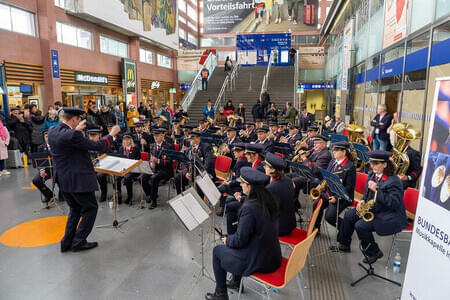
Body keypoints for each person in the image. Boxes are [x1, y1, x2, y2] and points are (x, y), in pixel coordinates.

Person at [48, 107, 120, 252]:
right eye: (78, 119)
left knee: (75, 209)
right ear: (74, 119)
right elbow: (96, 146)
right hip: (78, 180)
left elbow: (69, 140)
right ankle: (79, 241)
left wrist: (76, 130)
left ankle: (67, 242)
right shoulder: (73, 135)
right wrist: (111, 135)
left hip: (64, 180)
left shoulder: (53, 131)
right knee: (90, 208)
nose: (80, 121)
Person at [205, 167, 281, 300]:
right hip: (273, 256)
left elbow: (240, 241)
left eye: (243, 183)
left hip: (260, 261)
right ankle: (235, 281)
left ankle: (221, 294)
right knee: (231, 242)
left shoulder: (249, 209)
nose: (240, 185)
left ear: (250, 186)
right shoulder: (268, 200)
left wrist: (227, 240)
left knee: (217, 251)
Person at [335, 150, 407, 264]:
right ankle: (344, 244)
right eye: (372, 163)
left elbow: (394, 203)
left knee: (361, 226)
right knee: (349, 215)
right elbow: (367, 193)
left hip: (389, 214)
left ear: (385, 164)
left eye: (376, 163)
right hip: (375, 207)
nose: (372, 166)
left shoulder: (394, 181)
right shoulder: (373, 174)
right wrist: (363, 200)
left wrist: (377, 189)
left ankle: (374, 252)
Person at [312, 141, 356, 231]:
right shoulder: (333, 161)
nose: (334, 152)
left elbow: (349, 187)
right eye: (333, 150)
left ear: (344, 152)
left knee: (330, 217)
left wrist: (336, 197)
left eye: (336, 150)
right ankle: (315, 229)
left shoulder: (350, 167)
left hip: (342, 196)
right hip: (329, 193)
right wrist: (320, 185)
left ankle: (347, 229)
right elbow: (326, 176)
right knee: (316, 204)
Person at [264, 152, 296, 236]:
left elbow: (268, 211)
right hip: (290, 223)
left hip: (280, 228)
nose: (264, 167)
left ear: (272, 169)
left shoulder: (271, 188)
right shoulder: (288, 180)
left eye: (266, 166)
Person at [141, 129, 173, 209]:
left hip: (165, 170)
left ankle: (153, 200)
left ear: (162, 136)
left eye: (157, 135)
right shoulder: (152, 145)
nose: (155, 137)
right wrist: (150, 163)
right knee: (142, 178)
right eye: (154, 136)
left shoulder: (169, 146)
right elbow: (149, 157)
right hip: (154, 169)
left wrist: (158, 161)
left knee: (153, 178)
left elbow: (169, 162)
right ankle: (149, 194)